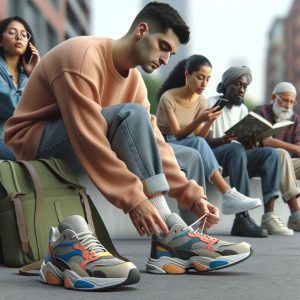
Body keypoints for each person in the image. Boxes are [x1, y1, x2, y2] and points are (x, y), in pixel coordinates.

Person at [4, 2, 253, 288]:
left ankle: (170, 234)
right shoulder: (83, 56)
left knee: (141, 121)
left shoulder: (134, 80)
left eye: (171, 53)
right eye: (162, 46)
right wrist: (134, 199)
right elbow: (87, 136)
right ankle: (170, 235)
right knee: (132, 115)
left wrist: (191, 195)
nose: (165, 59)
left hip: (78, 138)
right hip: (34, 144)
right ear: (141, 30)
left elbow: (153, 142)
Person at [156, 54, 262, 226]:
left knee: (199, 143)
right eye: (200, 77)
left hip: (189, 144)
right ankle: (227, 194)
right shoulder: (168, 97)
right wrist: (199, 119)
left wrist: (210, 120)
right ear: (187, 75)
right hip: (166, 143)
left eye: (208, 79)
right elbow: (178, 133)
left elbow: (199, 135)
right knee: (198, 143)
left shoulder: (202, 101)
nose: (204, 84)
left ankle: (218, 202)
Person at [206, 66, 294, 237]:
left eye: (245, 86)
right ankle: (242, 218)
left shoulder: (243, 109)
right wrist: (224, 141)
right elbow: (204, 141)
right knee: (236, 148)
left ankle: (269, 216)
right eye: (237, 84)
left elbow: (241, 144)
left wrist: (251, 142)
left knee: (271, 153)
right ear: (226, 85)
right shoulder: (212, 103)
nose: (241, 89)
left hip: (236, 156)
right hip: (215, 158)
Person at [252, 81, 300, 232]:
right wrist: (293, 148)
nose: (288, 105)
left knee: (284, 156)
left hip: (286, 164)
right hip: (262, 161)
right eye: (285, 100)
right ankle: (295, 215)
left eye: (292, 101)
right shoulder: (260, 111)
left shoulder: (295, 119)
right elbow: (266, 141)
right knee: (281, 153)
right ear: (274, 97)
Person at [0, 16, 40, 159]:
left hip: (20, 138)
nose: (19, 37)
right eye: (12, 32)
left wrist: (32, 74)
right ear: (0, 40)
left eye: (24, 35)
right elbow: (15, 106)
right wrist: (32, 78)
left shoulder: (26, 75)